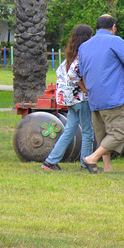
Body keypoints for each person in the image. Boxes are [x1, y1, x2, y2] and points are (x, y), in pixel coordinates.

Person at [78, 15, 124, 173]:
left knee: (102, 134)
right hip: (112, 96)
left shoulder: (84, 46)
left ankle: (107, 167)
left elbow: (82, 73)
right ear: (113, 27)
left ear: (97, 27)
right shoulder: (116, 41)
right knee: (119, 133)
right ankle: (92, 158)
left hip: (94, 97)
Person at [41, 24, 95, 171]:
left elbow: (61, 73)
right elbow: (73, 74)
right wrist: (85, 89)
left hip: (69, 99)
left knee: (70, 131)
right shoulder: (81, 55)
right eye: (91, 35)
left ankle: (50, 161)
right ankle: (86, 162)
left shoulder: (70, 55)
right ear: (86, 37)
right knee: (88, 131)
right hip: (80, 99)